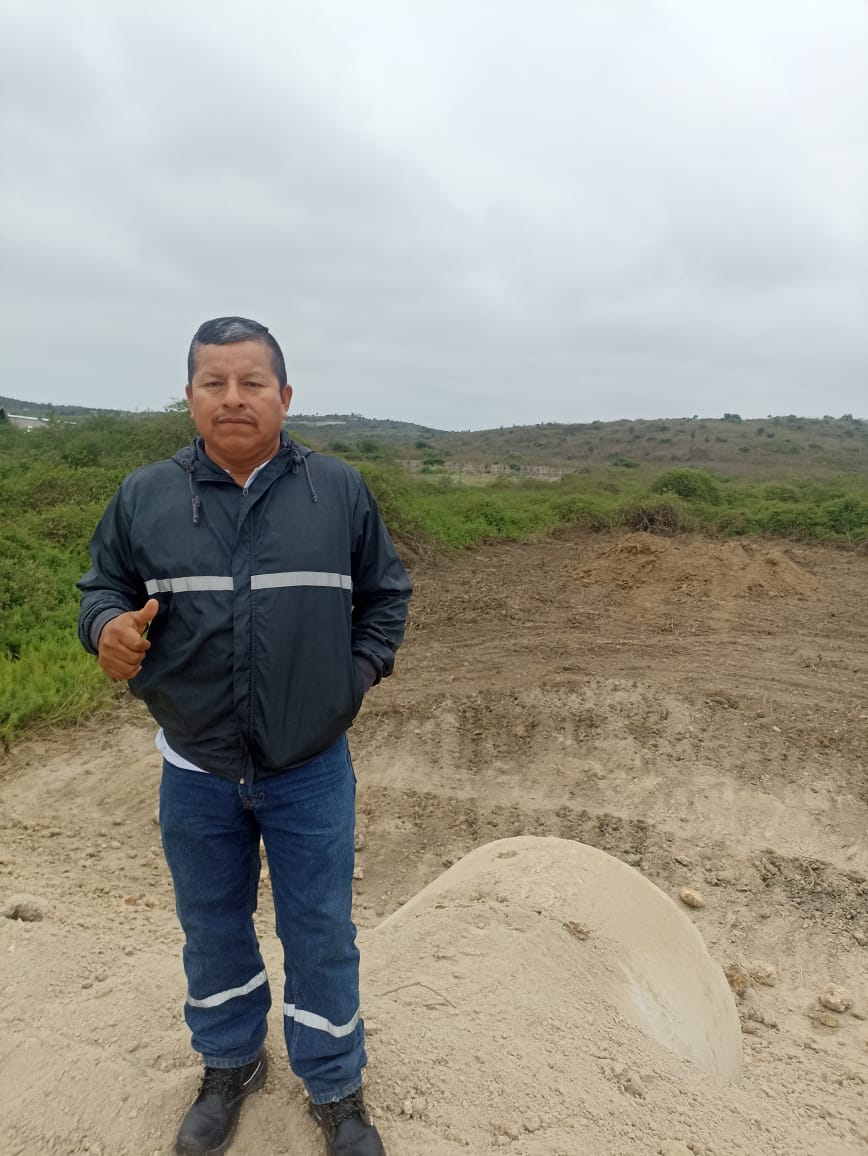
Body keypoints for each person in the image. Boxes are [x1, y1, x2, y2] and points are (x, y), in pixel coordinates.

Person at [78, 316, 412, 1156]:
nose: (233, 397)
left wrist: (354, 677)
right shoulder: (145, 496)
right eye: (214, 382)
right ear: (189, 396)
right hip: (195, 764)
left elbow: (386, 596)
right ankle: (230, 1064)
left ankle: (334, 1085)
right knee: (213, 925)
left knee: (320, 930)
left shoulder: (337, 491)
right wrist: (105, 628)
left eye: (252, 382)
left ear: (284, 396)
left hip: (310, 765)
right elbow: (101, 588)